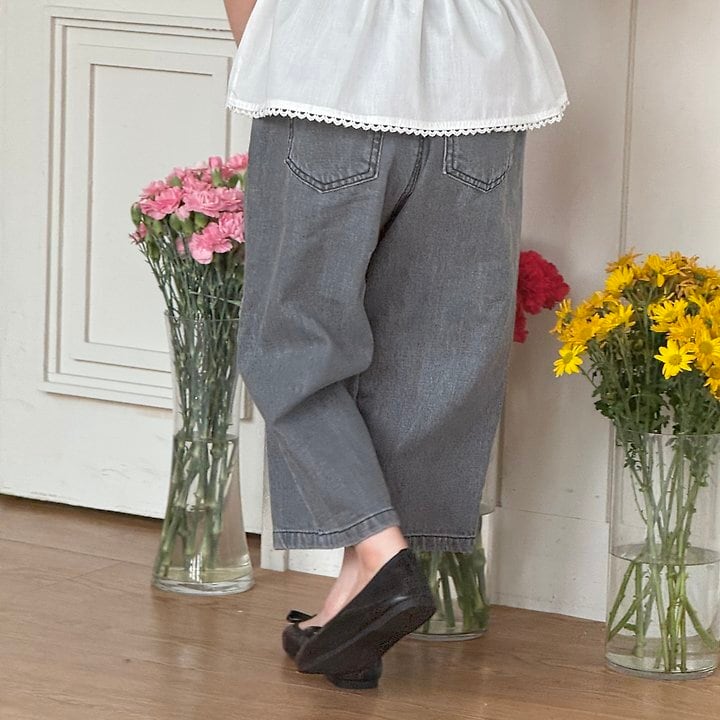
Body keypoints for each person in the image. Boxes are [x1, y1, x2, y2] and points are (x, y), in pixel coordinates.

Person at [222, 0, 568, 690]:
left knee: (294, 341)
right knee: (431, 354)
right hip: (477, 89)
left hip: (327, 77)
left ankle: (383, 556)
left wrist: (274, 41)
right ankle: (355, 603)